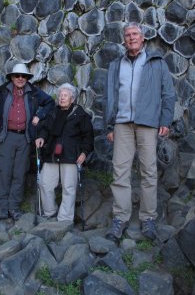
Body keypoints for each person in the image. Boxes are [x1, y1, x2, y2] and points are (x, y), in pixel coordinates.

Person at [104, 23, 176, 241]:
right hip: (122, 123)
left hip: (147, 123)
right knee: (120, 172)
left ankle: (148, 219)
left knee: (148, 171)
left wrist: (165, 119)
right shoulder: (116, 64)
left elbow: (168, 93)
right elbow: (109, 96)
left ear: (143, 38)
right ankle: (120, 218)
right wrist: (109, 125)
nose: (131, 38)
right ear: (124, 40)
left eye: (135, 34)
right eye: (127, 35)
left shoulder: (156, 62)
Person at [0, 63, 54, 221]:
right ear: (12, 77)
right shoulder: (2, 91)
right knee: (5, 172)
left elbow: (50, 102)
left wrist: (39, 116)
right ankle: (2, 208)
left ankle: (13, 207)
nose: (20, 78)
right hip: (7, 136)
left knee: (20, 173)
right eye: (17, 76)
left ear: (27, 78)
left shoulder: (34, 92)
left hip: (25, 137)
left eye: (24, 76)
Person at [35, 83, 94, 223]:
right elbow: (45, 128)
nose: (61, 98)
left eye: (65, 95)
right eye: (60, 95)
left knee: (69, 187)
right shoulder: (53, 112)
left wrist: (84, 152)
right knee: (45, 183)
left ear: (72, 99)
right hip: (52, 154)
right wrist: (41, 137)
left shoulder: (80, 114)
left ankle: (65, 219)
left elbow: (88, 136)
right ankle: (50, 212)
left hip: (71, 155)